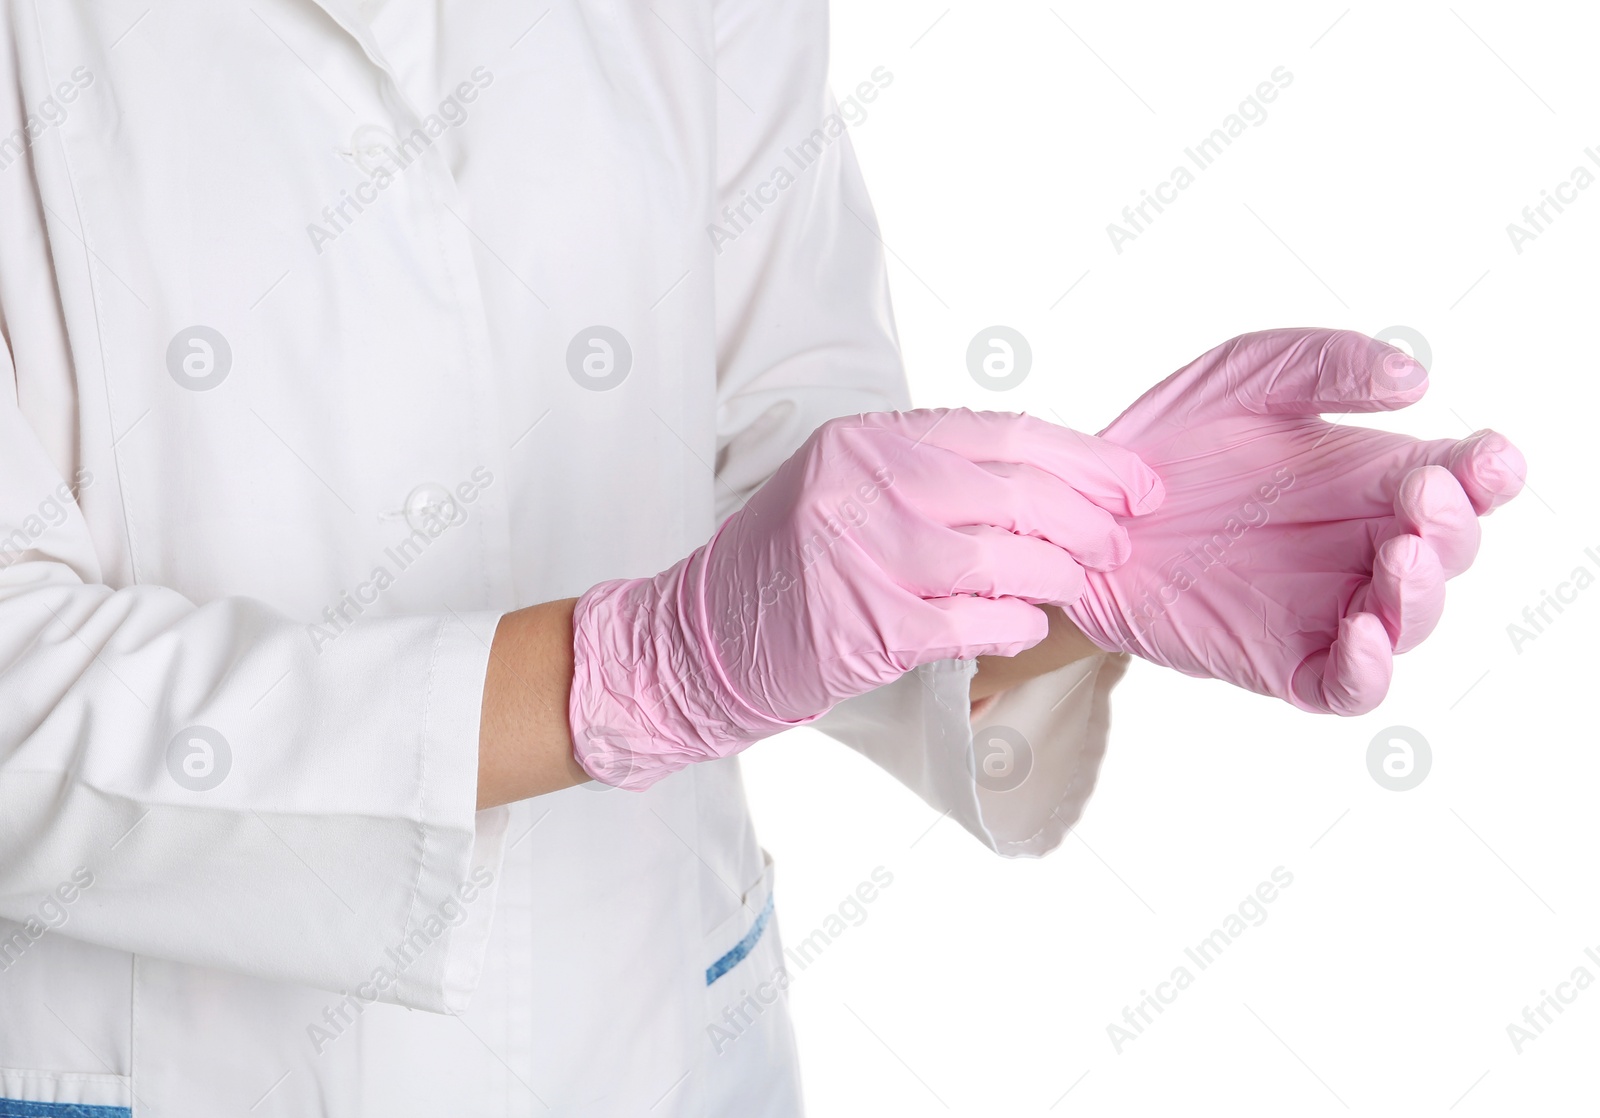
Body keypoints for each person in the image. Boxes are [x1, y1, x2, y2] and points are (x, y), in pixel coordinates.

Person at [0, 2, 1522, 1115]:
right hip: (178, 1065)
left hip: (654, 1035)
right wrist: (634, 674)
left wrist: (1070, 567)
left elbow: (799, 465)